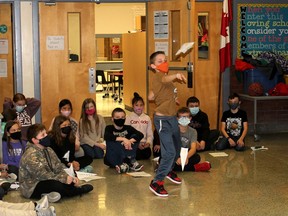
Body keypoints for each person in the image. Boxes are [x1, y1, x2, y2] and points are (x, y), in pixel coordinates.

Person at [19, 123, 93, 200]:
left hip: (48, 178)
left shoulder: (48, 149)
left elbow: (59, 165)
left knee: (69, 180)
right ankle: (77, 191)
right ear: (34, 140)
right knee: (56, 185)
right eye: (43, 135)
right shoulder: (31, 155)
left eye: (46, 133)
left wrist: (70, 175)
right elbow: (43, 175)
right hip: (32, 186)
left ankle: (51, 195)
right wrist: (64, 179)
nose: (46, 136)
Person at [148, 51, 187, 197]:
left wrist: (171, 99)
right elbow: (164, 80)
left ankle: (169, 170)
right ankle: (157, 182)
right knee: (170, 152)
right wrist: (176, 75)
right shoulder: (159, 76)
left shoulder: (163, 79)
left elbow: (152, 95)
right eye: (159, 61)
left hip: (171, 118)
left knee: (176, 147)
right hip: (162, 120)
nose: (163, 62)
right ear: (153, 66)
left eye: (165, 60)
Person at [104, 108, 144, 174]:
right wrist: (123, 139)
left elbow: (140, 134)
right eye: (117, 117)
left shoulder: (128, 128)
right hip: (113, 157)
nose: (120, 119)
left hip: (127, 152)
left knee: (135, 138)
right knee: (112, 141)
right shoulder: (109, 128)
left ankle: (128, 163)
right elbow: (107, 136)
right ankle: (127, 162)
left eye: (122, 117)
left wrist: (130, 141)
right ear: (112, 119)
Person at [173, 107, 211, 172]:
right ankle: (195, 168)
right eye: (182, 117)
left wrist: (186, 157)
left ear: (190, 118)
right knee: (164, 157)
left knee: (197, 157)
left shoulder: (193, 131)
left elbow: (193, 148)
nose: (184, 119)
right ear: (177, 119)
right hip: (174, 152)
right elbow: (170, 147)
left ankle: (174, 168)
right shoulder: (173, 130)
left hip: (186, 153)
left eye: (186, 117)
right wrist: (176, 158)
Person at [125, 92, 153, 160]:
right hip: (133, 144)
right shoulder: (128, 117)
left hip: (144, 145)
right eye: (136, 105)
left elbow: (149, 133)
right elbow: (127, 134)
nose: (139, 107)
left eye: (141, 105)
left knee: (147, 154)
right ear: (133, 106)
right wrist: (137, 144)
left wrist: (148, 143)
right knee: (135, 154)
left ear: (144, 106)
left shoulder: (147, 118)